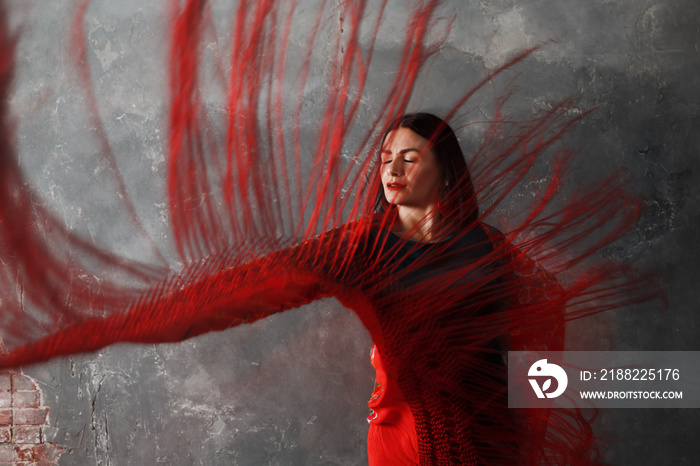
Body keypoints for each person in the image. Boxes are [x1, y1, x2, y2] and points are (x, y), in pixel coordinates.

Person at [0, 112, 588, 465]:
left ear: (447, 168)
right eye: (386, 158)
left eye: (411, 158)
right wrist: (109, 326)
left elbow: (539, 308)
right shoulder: (363, 247)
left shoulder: (491, 246)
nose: (392, 170)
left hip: (494, 442)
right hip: (410, 444)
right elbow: (249, 286)